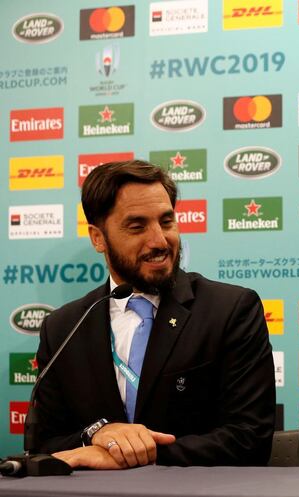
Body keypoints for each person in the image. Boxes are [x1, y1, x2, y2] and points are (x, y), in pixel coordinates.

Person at [33, 160, 276, 469]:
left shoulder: (230, 309)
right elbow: (43, 445)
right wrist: (98, 434)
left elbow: (250, 438)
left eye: (166, 221)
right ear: (98, 238)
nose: (159, 241)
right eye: (137, 226)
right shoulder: (63, 327)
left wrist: (130, 456)